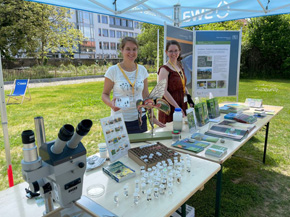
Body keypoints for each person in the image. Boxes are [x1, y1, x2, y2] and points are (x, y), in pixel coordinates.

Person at [102, 37, 165, 134]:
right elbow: (105, 94)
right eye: (128, 49)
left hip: (140, 119)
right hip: (120, 120)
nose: (131, 52)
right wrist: (111, 104)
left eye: (134, 49)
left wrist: (152, 117)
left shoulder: (142, 70)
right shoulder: (113, 71)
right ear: (122, 50)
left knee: (141, 149)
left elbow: (146, 97)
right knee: (123, 149)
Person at [157, 40, 194, 124]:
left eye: (176, 51)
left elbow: (183, 85)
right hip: (170, 107)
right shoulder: (164, 69)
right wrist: (177, 108)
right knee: (171, 133)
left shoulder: (180, 66)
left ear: (179, 51)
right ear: (166, 52)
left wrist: (189, 99)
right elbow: (164, 91)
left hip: (181, 104)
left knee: (183, 131)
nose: (173, 53)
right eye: (170, 51)